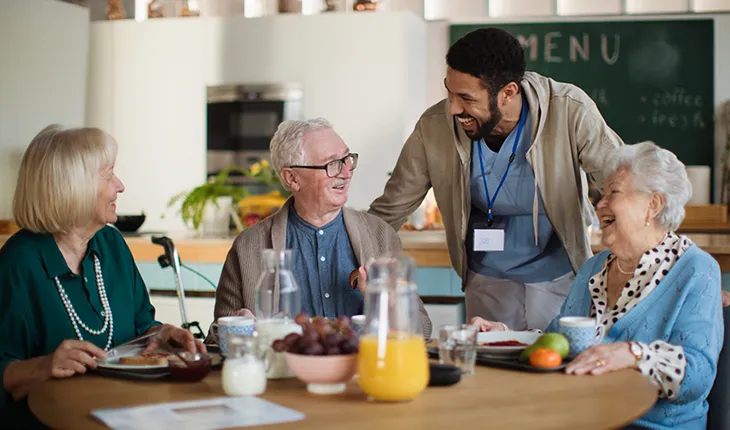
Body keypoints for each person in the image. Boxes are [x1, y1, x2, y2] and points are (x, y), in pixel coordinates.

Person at [368, 27, 624, 331]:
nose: (452, 108)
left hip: (559, 276)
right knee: (493, 368)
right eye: (449, 92)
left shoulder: (568, 109)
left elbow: (623, 181)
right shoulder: (434, 128)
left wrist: (623, 258)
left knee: (555, 363)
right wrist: (358, 255)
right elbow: (389, 210)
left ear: (508, 93)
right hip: (486, 278)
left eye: (465, 97)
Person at [472, 142, 723, 429]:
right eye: (601, 194)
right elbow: (560, 342)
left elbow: (698, 376)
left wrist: (633, 354)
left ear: (653, 205)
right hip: (583, 416)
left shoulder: (696, 270)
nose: (599, 204)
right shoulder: (594, 267)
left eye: (613, 192)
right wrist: (503, 336)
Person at [0, 125, 205, 428]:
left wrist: (159, 335)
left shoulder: (111, 244)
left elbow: (140, 328)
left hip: (125, 415)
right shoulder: (20, 262)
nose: (120, 186)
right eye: (109, 175)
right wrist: (44, 366)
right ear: (73, 185)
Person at [209, 118, 432, 339]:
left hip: (363, 372)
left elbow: (422, 330)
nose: (346, 172)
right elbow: (216, 339)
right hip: (284, 372)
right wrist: (236, 327)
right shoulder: (248, 246)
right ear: (292, 178)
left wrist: (388, 302)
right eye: (332, 164)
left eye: (347, 159)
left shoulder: (380, 235)